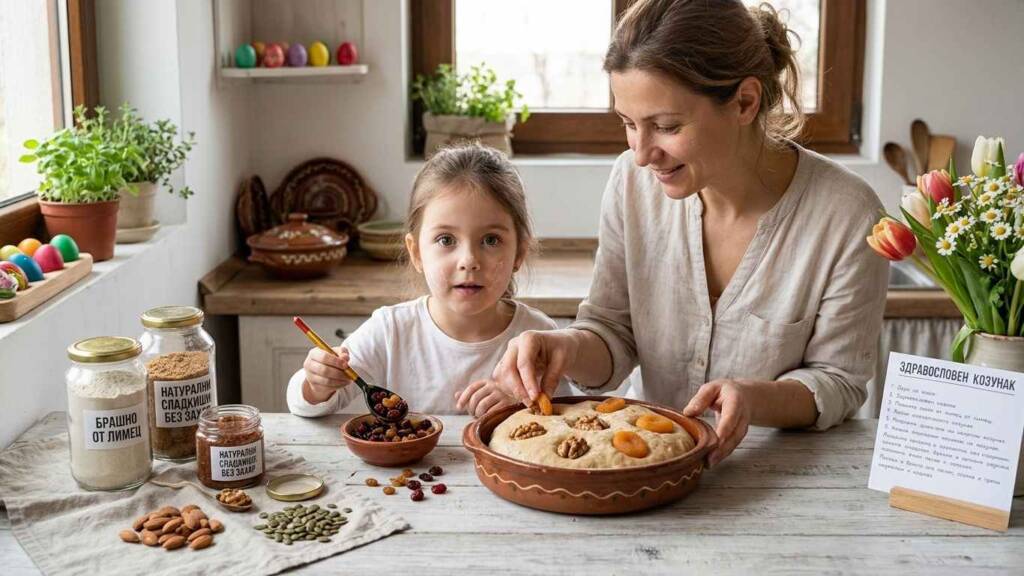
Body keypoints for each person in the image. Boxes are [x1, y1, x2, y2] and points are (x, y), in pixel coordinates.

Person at [491, 0, 888, 467]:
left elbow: (838, 381)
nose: (641, 154)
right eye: (628, 125)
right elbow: (612, 331)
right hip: (643, 474)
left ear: (744, 102)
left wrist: (754, 399)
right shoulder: (631, 183)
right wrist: (565, 347)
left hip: (774, 481)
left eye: (665, 126)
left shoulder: (847, 214)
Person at [286, 143, 568, 418]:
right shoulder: (390, 331)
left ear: (519, 252)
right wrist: (316, 383)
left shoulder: (538, 335)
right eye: (446, 240)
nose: (468, 260)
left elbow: (566, 417)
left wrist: (520, 406)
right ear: (417, 253)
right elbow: (302, 403)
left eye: (491, 240)